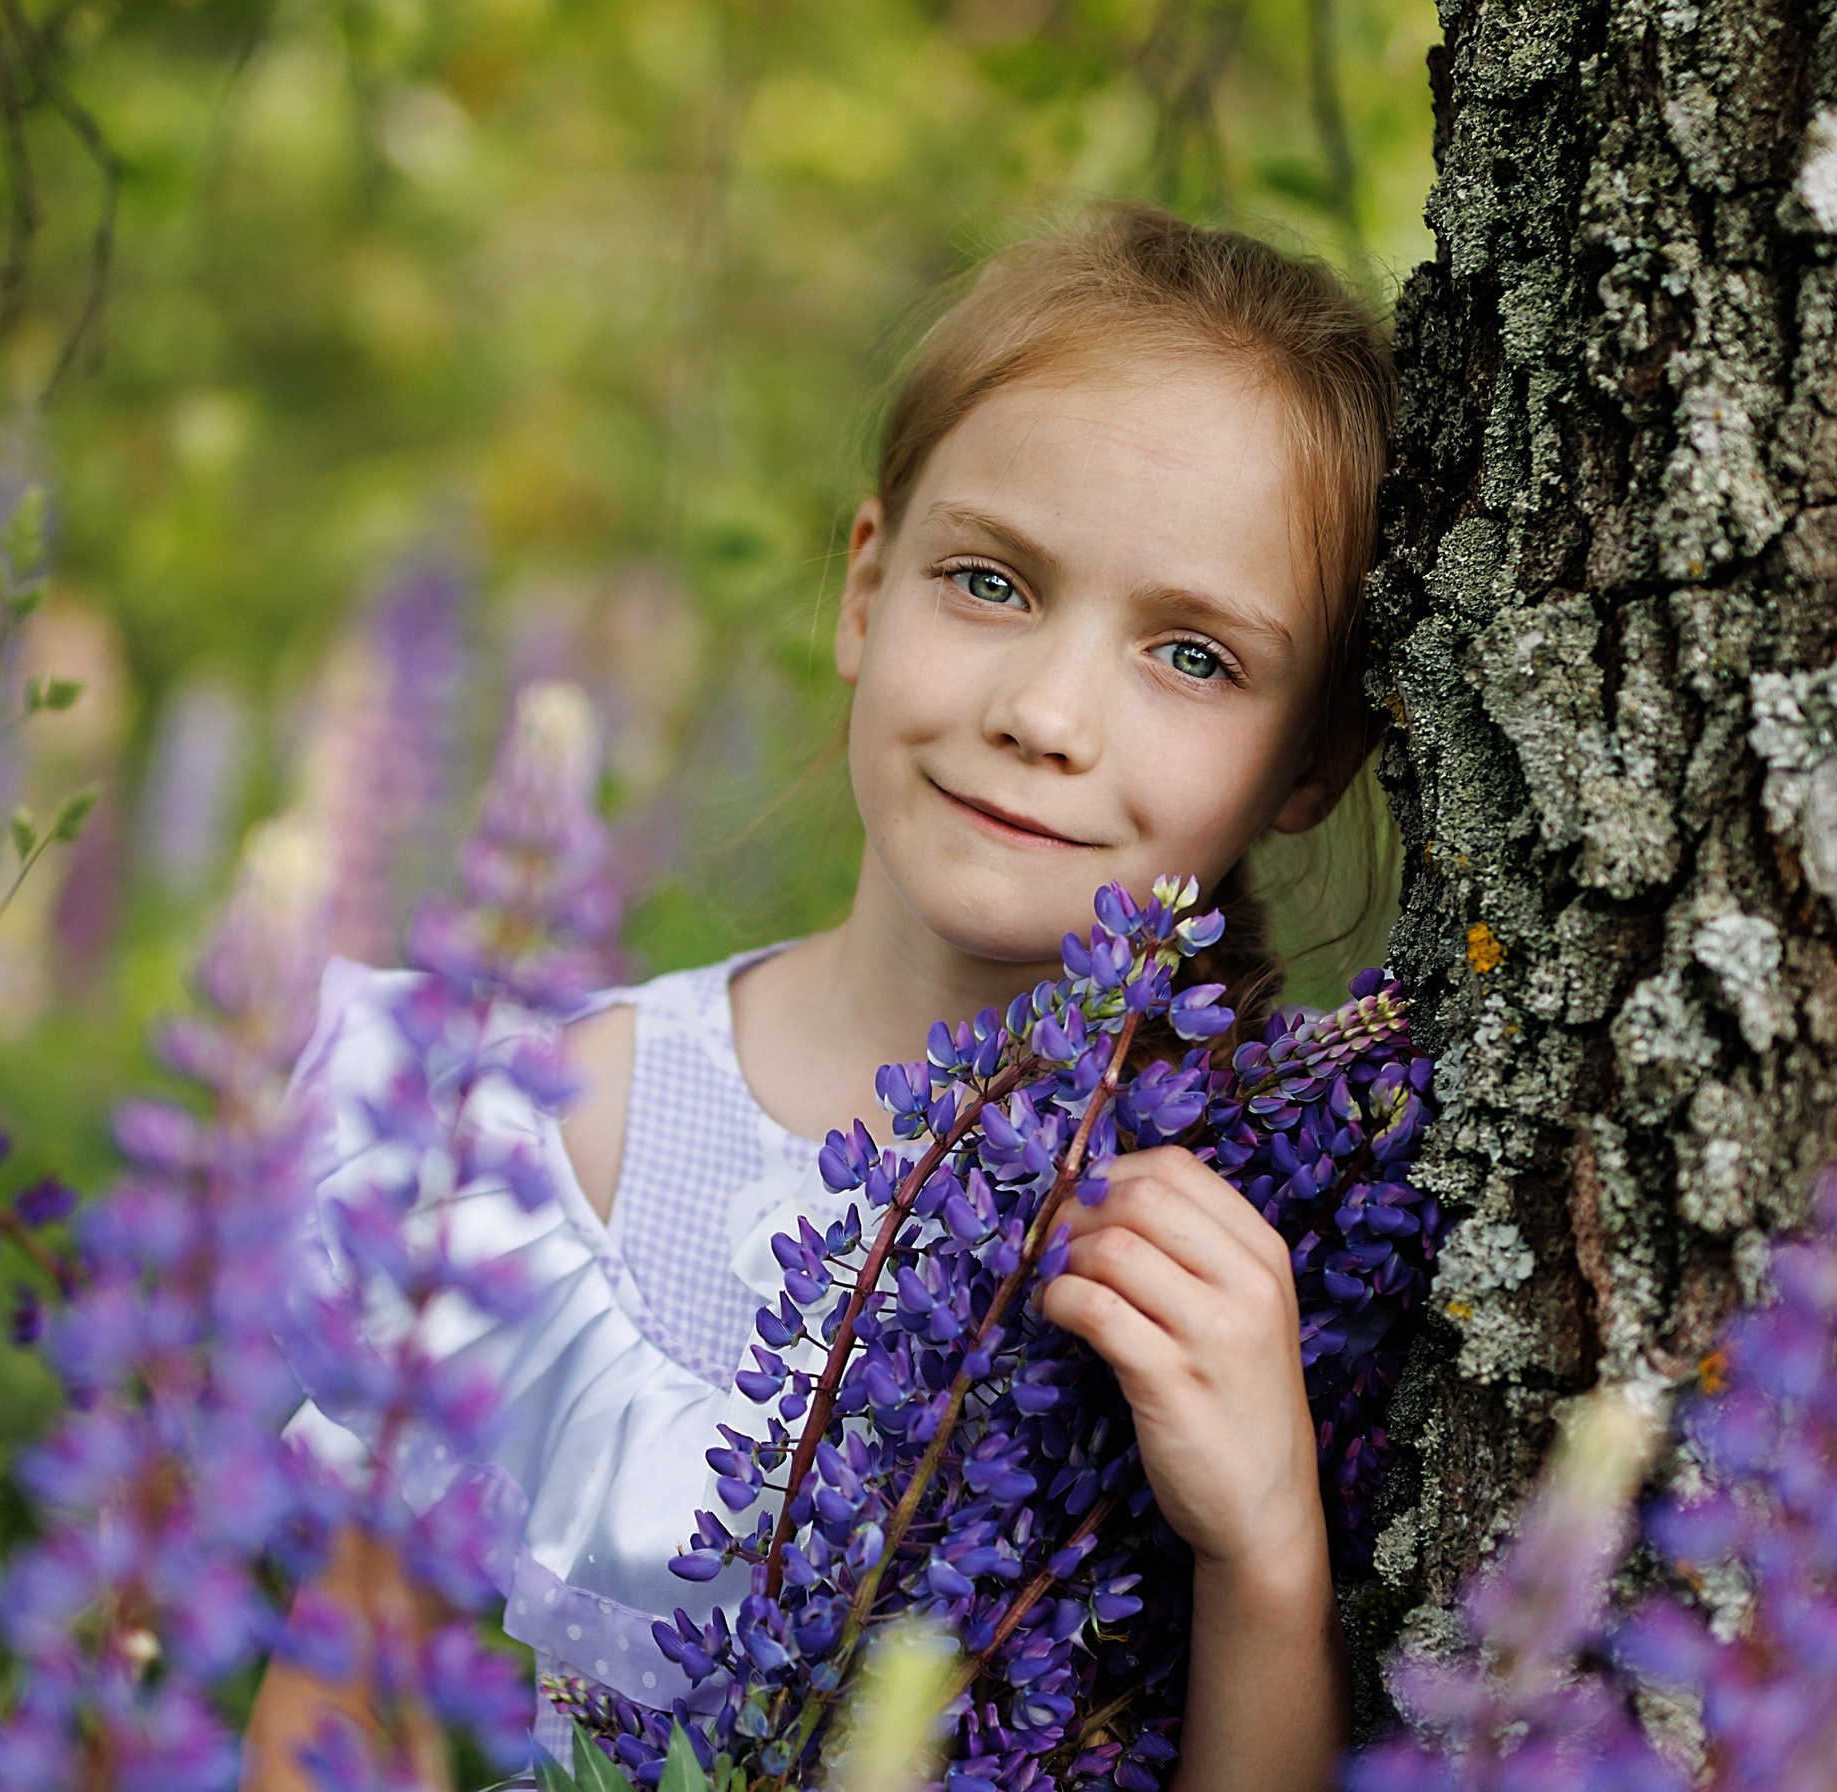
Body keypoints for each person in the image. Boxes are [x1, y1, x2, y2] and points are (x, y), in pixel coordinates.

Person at [246, 201, 1395, 1792]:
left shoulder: (1287, 1233)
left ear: (1310, 763)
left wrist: (1266, 1558)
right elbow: (336, 1725)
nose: (1047, 714)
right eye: (991, 581)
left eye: (1193, 657)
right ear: (868, 589)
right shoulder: (540, 1136)